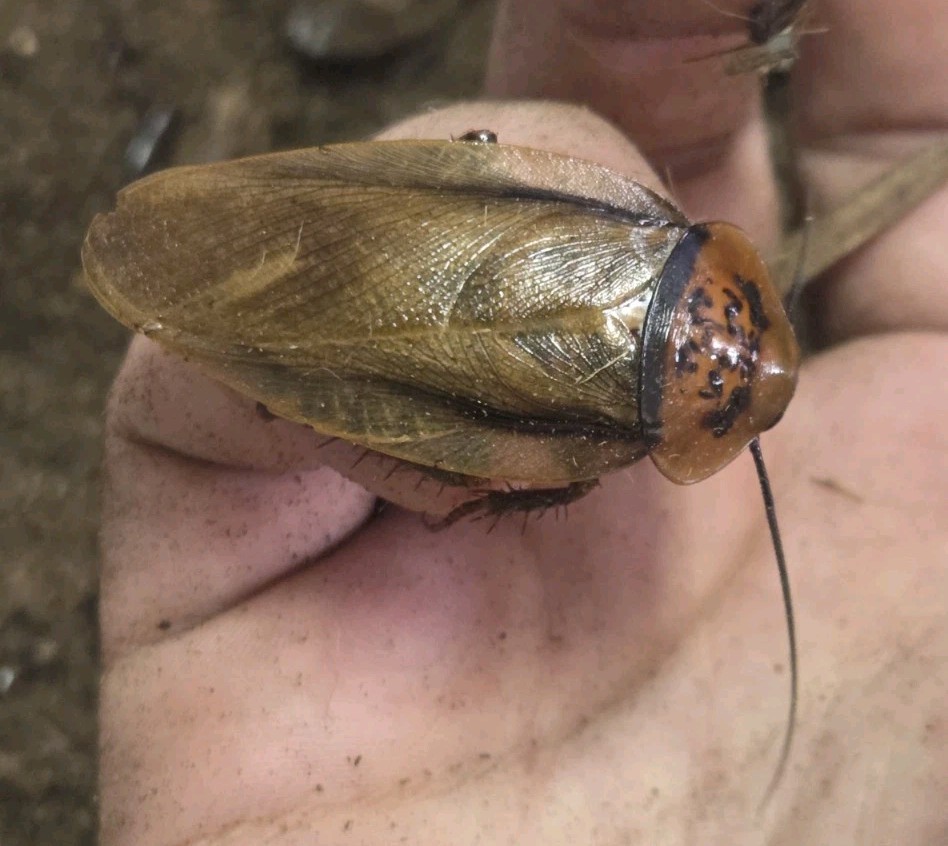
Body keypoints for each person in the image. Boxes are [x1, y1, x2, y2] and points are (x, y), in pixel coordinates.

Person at [97, 0, 947, 842]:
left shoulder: (650, 226)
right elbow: (514, 471)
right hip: (439, 366)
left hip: (497, 248)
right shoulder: (613, 445)